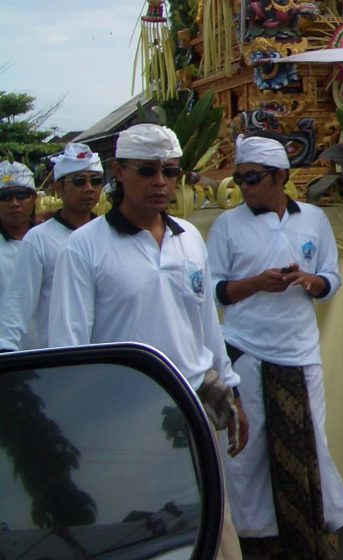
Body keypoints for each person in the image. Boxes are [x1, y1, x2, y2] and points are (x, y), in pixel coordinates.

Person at [48, 123, 248, 560]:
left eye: (170, 171)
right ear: (118, 171)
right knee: (143, 532)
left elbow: (206, 326)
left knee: (212, 526)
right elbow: (69, 345)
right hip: (124, 414)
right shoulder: (84, 247)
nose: (160, 182)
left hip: (194, 404)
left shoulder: (189, 238)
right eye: (147, 171)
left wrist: (231, 390)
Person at [207, 135, 343, 558]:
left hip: (301, 351)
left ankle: (311, 528)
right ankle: (254, 536)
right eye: (240, 178)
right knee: (249, 450)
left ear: (280, 176)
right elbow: (214, 290)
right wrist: (258, 283)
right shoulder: (227, 225)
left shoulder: (313, 219)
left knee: (310, 442)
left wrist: (310, 281)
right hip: (246, 350)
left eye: (253, 178)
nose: (244, 186)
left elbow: (331, 277)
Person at [0, 144, 102, 351]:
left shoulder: (111, 235)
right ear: (58, 187)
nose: (89, 189)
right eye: (79, 181)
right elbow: (18, 303)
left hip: (111, 354)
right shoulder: (38, 239)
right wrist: (6, 349)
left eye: (96, 181)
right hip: (55, 356)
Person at [0, 162, 37, 319]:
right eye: (4, 196)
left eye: (22, 195)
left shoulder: (49, 240)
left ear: (34, 198)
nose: (14, 203)